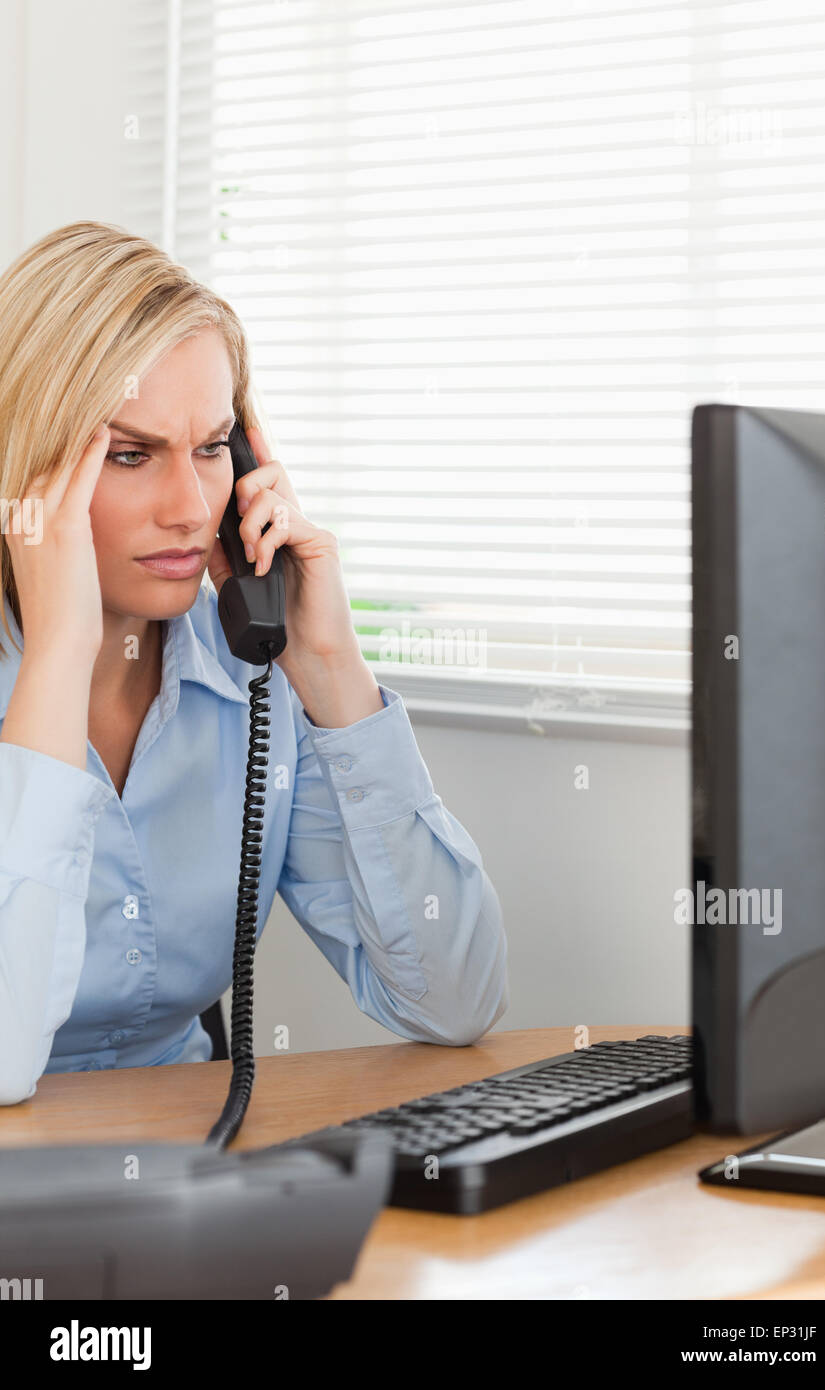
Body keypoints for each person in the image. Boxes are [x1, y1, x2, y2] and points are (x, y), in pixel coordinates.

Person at [0, 221, 508, 1105]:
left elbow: (455, 1001)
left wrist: (330, 667)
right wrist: (55, 663)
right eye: (129, 454)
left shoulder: (247, 674)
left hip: (186, 1181)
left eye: (210, 448)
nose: (190, 507)